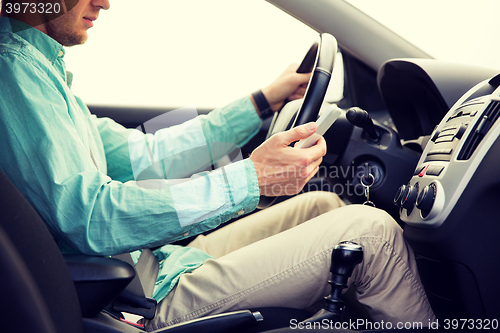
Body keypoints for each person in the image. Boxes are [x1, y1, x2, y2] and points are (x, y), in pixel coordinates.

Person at [0, 0, 435, 330]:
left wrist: (263, 101)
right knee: (371, 234)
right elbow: (91, 216)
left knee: (319, 205)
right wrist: (252, 177)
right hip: (132, 299)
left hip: (150, 266)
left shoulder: (44, 70)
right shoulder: (13, 72)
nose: (105, 2)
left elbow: (147, 155)